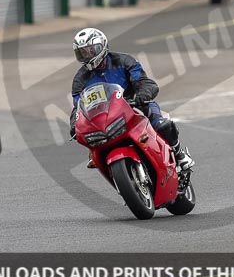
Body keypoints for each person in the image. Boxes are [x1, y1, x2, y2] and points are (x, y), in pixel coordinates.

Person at [69, 27, 194, 172]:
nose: (87, 55)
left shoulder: (124, 61)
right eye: (82, 53)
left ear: (101, 46)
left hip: (135, 105)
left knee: (161, 125)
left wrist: (142, 95)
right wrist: (75, 125)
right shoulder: (80, 79)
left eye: (90, 50)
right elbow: (78, 106)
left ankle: (179, 155)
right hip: (106, 117)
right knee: (94, 148)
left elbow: (144, 81)